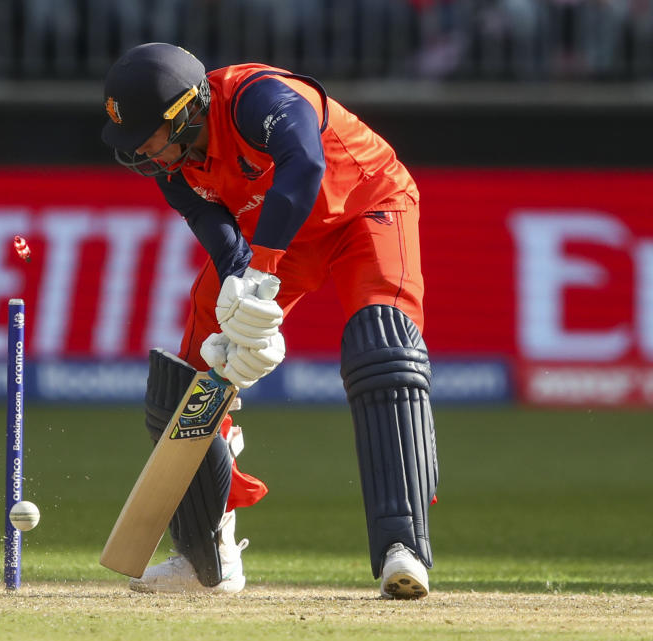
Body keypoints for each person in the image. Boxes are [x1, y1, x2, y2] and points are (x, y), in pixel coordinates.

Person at [101, 43, 438, 599]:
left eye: (147, 134)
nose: (139, 150)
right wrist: (243, 311)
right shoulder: (170, 163)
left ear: (186, 111)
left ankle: (402, 547)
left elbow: (304, 164)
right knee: (193, 373)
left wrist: (261, 272)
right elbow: (216, 232)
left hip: (367, 205)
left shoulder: (255, 99)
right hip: (280, 236)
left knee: (383, 348)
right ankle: (205, 555)